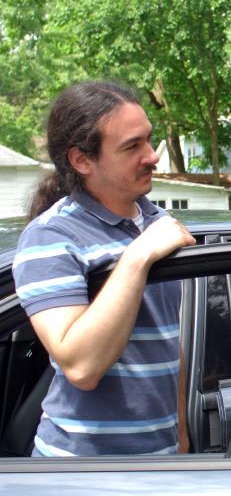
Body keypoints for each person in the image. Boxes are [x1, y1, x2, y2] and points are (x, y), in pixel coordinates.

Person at [12, 81, 196, 457]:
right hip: (82, 467)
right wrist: (137, 257)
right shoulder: (50, 236)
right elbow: (82, 367)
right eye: (132, 146)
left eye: (149, 140)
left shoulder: (157, 223)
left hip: (158, 461)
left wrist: (180, 434)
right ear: (82, 160)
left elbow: (167, 340)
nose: (152, 156)